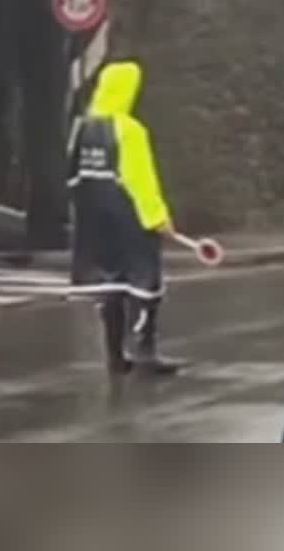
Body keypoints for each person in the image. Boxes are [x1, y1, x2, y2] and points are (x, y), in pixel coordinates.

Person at [65, 60, 185, 376]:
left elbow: (72, 174)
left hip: (96, 223)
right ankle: (145, 351)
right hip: (129, 220)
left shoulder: (82, 128)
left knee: (110, 285)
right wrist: (159, 218)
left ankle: (115, 355)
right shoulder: (129, 130)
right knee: (144, 285)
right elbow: (141, 179)